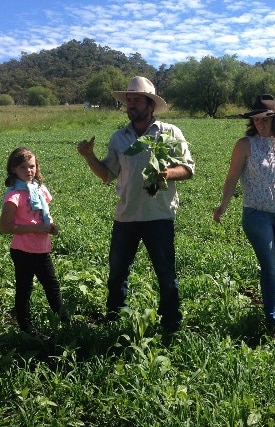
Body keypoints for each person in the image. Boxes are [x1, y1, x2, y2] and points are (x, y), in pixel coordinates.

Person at [76, 76, 194, 333]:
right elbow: (108, 174)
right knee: (117, 274)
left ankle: (171, 323)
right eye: (128, 100)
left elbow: (188, 169)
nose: (131, 105)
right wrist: (89, 157)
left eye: (136, 100)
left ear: (150, 105)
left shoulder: (170, 133)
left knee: (166, 274)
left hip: (159, 215)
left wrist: (166, 174)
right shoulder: (120, 137)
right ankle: (113, 320)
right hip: (126, 216)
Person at [213, 94, 275, 336]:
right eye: (256, 119)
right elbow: (232, 176)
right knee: (269, 267)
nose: (259, 123)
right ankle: (272, 319)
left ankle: (269, 294)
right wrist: (223, 205)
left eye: (264, 118)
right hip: (257, 214)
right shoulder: (245, 145)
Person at [0, 147, 70, 339]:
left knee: (52, 286)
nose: (29, 170)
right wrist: (35, 229)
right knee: (25, 289)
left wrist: (51, 225)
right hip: (23, 250)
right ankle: (26, 328)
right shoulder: (14, 195)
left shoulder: (39, 190)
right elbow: (5, 227)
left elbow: (43, 215)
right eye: (23, 167)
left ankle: (66, 321)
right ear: (13, 169)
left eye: (32, 166)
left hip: (41, 249)